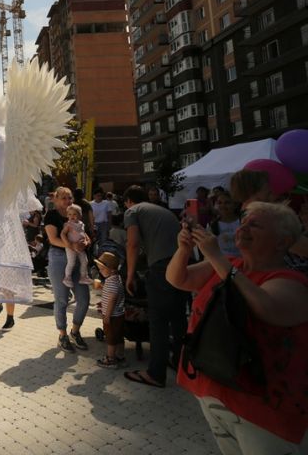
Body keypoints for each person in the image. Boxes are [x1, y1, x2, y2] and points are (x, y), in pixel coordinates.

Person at [167, 201, 308, 453]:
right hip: (214, 392)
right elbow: (179, 279)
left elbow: (266, 308)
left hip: (264, 411)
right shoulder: (230, 264)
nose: (243, 228)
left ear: (281, 242)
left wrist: (216, 257)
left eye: (255, 225)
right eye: (243, 223)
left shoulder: (292, 283)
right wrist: (184, 250)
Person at [122, 185, 185, 388]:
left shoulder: (132, 211)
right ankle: (181, 363)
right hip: (183, 264)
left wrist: (130, 275)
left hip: (161, 268)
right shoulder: (162, 210)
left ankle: (155, 373)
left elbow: (132, 243)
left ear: (129, 201)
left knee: (158, 320)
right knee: (178, 317)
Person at [44, 186, 91, 352]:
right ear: (56, 200)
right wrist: (71, 245)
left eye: (69, 197)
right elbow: (53, 239)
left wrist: (86, 242)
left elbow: (85, 234)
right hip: (59, 257)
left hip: (78, 257)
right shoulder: (51, 215)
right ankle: (62, 334)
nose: (67, 201)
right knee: (62, 299)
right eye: (63, 198)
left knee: (84, 299)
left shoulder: (76, 213)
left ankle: (75, 331)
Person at [95, 252, 125, 369]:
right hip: (119, 315)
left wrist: (107, 315)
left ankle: (110, 359)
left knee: (111, 338)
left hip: (112, 316)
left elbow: (112, 299)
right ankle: (121, 356)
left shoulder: (112, 282)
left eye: (102, 269)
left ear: (112, 270)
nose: (100, 271)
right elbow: (110, 293)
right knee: (119, 336)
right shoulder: (115, 279)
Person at [61, 204, 92, 288]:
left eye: (74, 214)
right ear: (67, 215)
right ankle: (67, 277)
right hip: (71, 247)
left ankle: (83, 276)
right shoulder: (68, 225)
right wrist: (68, 243)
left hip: (81, 247)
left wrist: (86, 241)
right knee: (71, 262)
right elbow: (63, 234)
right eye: (70, 214)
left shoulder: (81, 224)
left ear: (80, 215)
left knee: (85, 261)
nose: (72, 216)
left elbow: (83, 234)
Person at [208, 191, 240, 258]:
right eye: (220, 203)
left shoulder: (243, 222)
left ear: (235, 205)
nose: (223, 206)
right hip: (224, 264)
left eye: (227, 203)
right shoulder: (214, 225)